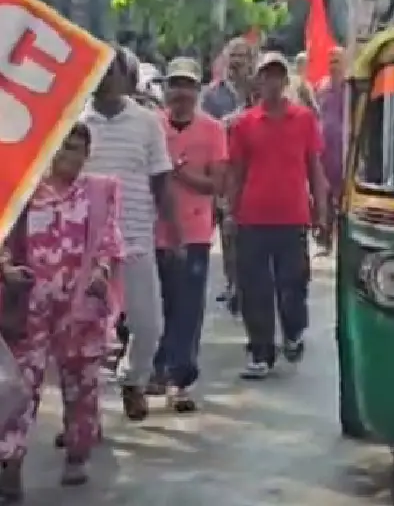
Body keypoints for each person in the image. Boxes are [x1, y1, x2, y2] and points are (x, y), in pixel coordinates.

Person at [0, 125, 122, 499]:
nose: (69, 154)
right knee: (22, 388)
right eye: (63, 146)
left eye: (77, 148)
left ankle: (77, 452)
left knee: (81, 386)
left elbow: (109, 243)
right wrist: (5, 270)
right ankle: (10, 462)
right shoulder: (23, 192)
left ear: (88, 153)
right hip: (31, 305)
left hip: (81, 305)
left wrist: (101, 275)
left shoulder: (99, 192)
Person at [81, 47, 178, 420]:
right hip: (86, 244)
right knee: (83, 336)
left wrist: (173, 231)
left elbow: (161, 178)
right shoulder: (76, 120)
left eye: (113, 70)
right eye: (99, 70)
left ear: (127, 77)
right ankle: (81, 414)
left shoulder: (147, 121)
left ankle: (133, 381)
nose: (106, 77)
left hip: (136, 237)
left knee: (149, 325)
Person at [228, 51, 327, 379]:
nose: (271, 82)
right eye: (265, 76)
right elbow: (237, 172)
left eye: (277, 76)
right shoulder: (244, 124)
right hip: (253, 217)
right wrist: (231, 211)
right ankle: (260, 351)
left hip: (293, 216)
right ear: (258, 81)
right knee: (254, 288)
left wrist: (321, 213)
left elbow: (315, 168)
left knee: (293, 283)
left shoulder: (304, 120)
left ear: (286, 81)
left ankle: (294, 330)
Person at [151, 58, 227, 412]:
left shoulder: (212, 130)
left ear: (198, 91)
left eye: (187, 86)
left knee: (187, 308)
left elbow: (219, 183)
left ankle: (180, 380)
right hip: (150, 231)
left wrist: (179, 175)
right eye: (175, 85)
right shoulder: (151, 127)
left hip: (195, 232)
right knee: (154, 307)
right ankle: (154, 368)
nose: (180, 93)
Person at [201, 38, 256, 306]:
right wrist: (229, 122)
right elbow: (203, 127)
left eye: (242, 56)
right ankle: (233, 282)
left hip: (255, 168)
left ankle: (250, 283)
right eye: (233, 55)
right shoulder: (212, 94)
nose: (237, 61)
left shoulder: (258, 91)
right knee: (228, 229)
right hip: (225, 168)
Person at [314, 46, 346, 255]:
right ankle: (324, 236)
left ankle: (341, 239)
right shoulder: (322, 87)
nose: (333, 64)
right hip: (325, 147)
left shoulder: (350, 86)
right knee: (323, 194)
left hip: (343, 148)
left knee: (342, 196)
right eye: (331, 60)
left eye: (337, 60)